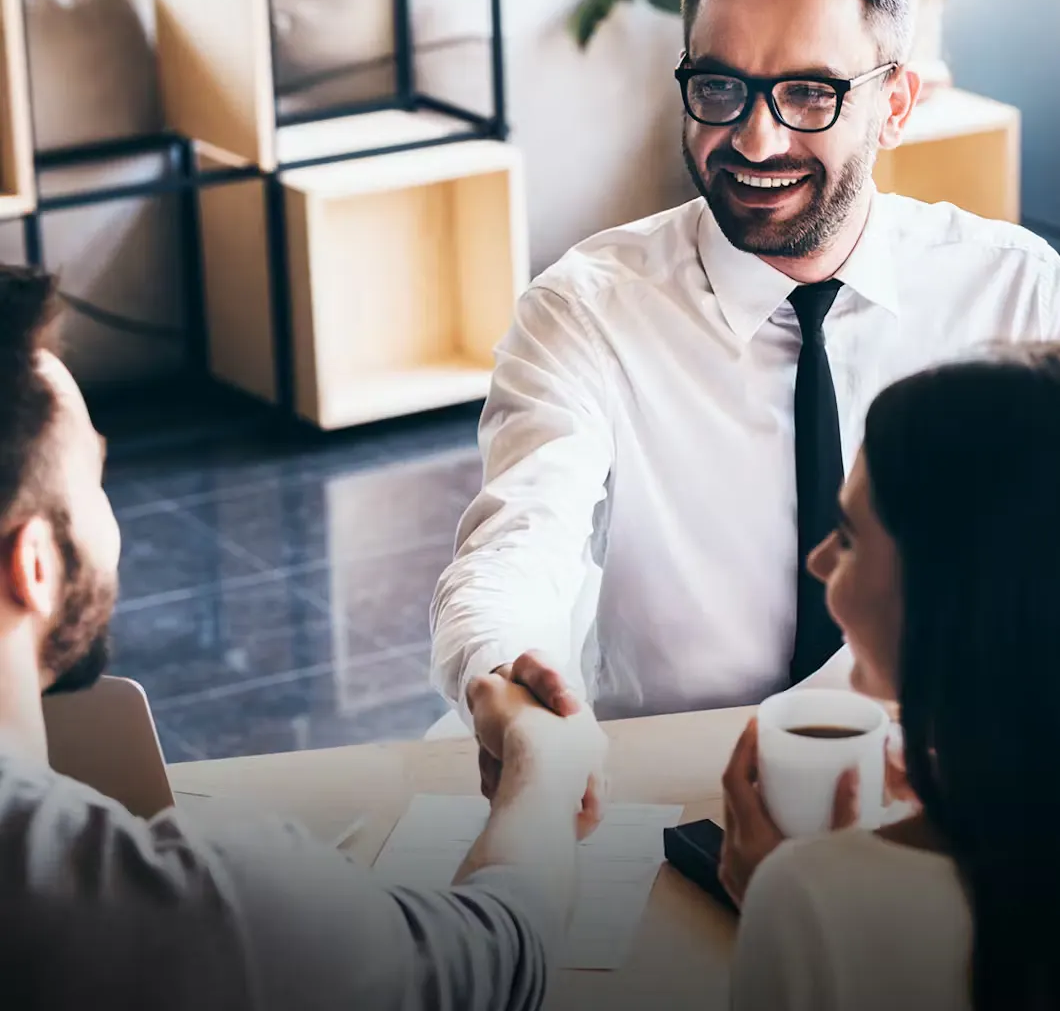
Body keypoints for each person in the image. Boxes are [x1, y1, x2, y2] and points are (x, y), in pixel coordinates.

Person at [430, 0, 1060, 776]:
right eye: (720, 87)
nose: (756, 139)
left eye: (810, 93)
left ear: (895, 106)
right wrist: (507, 674)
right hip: (674, 782)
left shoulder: (1015, 290)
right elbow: (516, 543)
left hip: (953, 778)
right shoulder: (586, 309)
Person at [0, 266, 607, 1010]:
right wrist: (542, 773)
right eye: (96, 479)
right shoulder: (198, 917)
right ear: (34, 566)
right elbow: (502, 952)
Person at [723, 342, 1060, 1011]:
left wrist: (785, 908)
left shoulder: (812, 902)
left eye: (847, 537)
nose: (818, 562)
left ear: (947, 593)